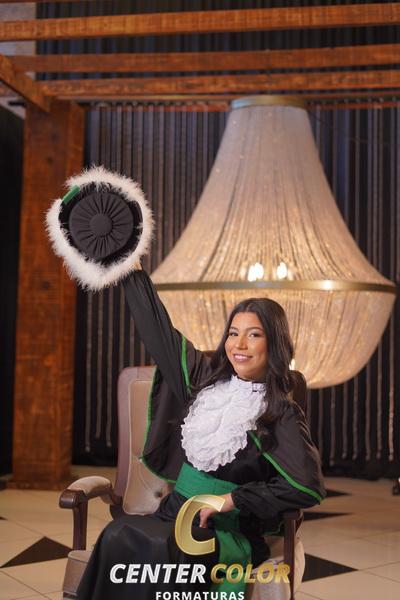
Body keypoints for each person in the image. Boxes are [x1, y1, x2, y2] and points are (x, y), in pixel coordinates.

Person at [76, 264, 326, 600]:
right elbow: (159, 332)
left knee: (169, 552)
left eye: (254, 335)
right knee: (117, 534)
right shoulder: (204, 380)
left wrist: (231, 500)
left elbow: (307, 487)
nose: (239, 344)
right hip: (174, 512)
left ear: (274, 343)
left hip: (223, 529)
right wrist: (131, 270)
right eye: (233, 333)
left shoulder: (280, 413)